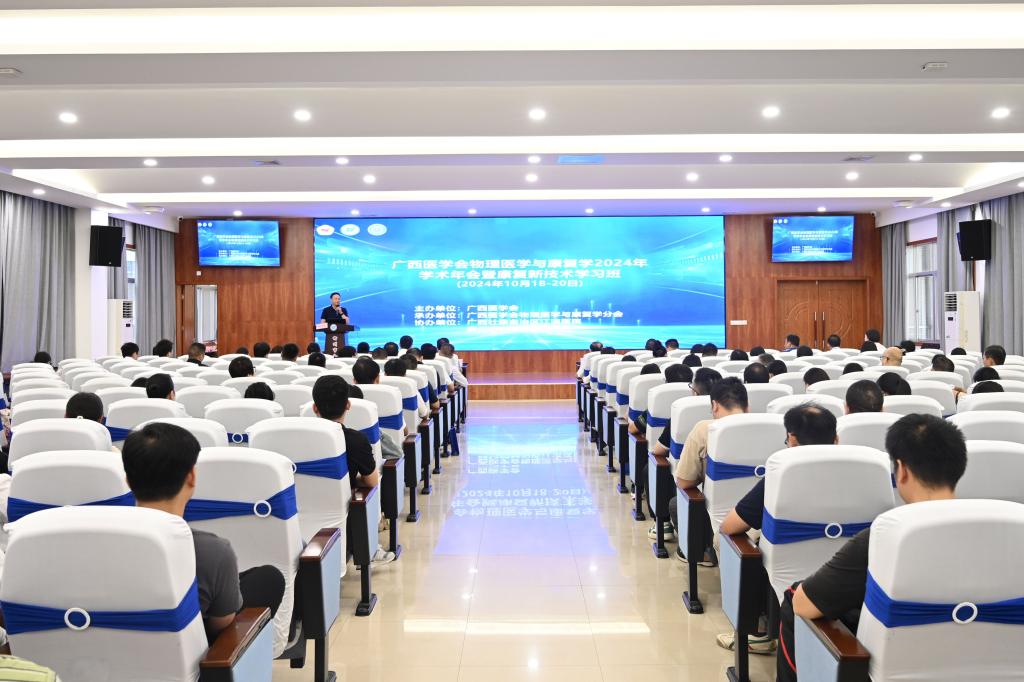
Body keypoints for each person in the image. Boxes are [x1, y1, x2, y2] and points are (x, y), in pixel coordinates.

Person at [778, 414, 966, 682]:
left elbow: (803, 605)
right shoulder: (1008, 532)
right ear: (959, 467)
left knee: (794, 596)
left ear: (901, 470)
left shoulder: (889, 535)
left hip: (897, 669)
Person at [121, 423, 285, 639]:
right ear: (191, 477)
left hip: (113, 650)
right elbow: (222, 626)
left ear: (128, 480)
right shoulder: (212, 552)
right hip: (196, 655)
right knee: (269, 578)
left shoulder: (103, 544)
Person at [716, 402, 839, 655]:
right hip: (846, 577)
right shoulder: (869, 470)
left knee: (751, 544)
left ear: (792, 439)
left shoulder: (783, 473)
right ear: (836, 439)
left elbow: (730, 526)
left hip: (790, 583)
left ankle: (761, 632)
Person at [310, 376, 395, 565]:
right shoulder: (356, 440)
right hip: (342, 518)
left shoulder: (298, 440)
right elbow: (372, 481)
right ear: (348, 405)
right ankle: (369, 549)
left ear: (315, 408)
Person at [672, 377, 747, 565]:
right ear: (747, 406)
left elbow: (684, 482)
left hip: (721, 517)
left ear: (714, 405)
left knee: (676, 503)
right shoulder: (774, 427)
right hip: (759, 514)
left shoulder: (705, 429)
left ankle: (704, 554)